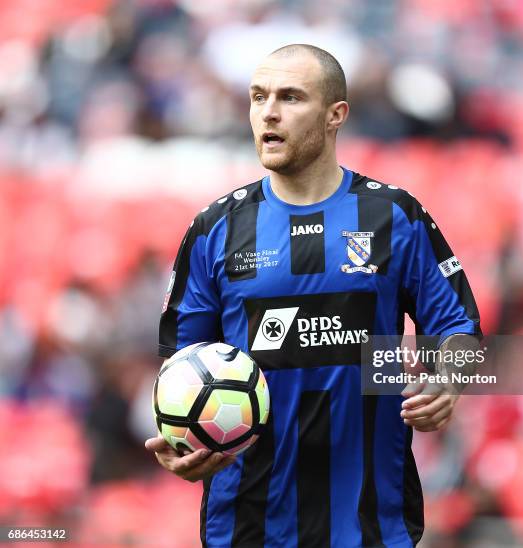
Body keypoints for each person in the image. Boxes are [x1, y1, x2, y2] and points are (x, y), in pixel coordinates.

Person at [145, 44, 482, 547]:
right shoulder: (215, 229)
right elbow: (180, 367)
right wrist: (178, 443)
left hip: (373, 523)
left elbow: (459, 330)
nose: (269, 112)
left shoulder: (394, 217)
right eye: (258, 97)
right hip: (248, 526)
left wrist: (448, 382)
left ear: (335, 115)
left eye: (291, 97)